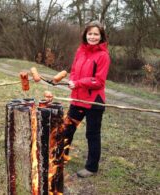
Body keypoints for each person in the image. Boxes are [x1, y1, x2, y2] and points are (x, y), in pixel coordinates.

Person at [63, 21, 110, 178]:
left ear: (101, 36)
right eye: (90, 33)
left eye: (96, 34)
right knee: (67, 129)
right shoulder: (80, 51)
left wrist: (78, 83)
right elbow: (74, 71)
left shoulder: (103, 56)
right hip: (77, 99)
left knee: (92, 134)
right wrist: (72, 81)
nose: (92, 36)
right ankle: (61, 156)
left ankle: (91, 168)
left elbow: (99, 82)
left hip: (94, 102)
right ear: (85, 35)